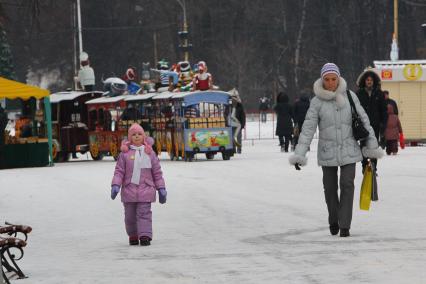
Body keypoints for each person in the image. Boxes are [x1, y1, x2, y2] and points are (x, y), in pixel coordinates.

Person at [289, 63, 383, 237]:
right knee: (330, 188)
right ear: (322, 80)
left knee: (347, 185)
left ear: (338, 78)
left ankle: (345, 224)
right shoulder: (316, 102)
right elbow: (308, 129)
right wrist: (299, 154)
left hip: (349, 150)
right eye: (327, 79)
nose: (331, 83)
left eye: (334, 79)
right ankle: (334, 219)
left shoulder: (350, 96)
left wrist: (372, 145)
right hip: (327, 151)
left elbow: (364, 121)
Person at [111, 123, 167, 246]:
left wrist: (161, 188)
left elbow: (157, 172)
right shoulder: (124, 154)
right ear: (130, 138)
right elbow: (119, 172)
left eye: (139, 134)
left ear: (144, 136)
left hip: (146, 189)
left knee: (144, 214)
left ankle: (145, 235)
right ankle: (133, 235)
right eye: (134, 135)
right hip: (129, 190)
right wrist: (115, 185)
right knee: (130, 217)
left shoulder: (149, 153)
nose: (137, 137)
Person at [356, 70, 387, 170]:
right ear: (364, 81)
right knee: (364, 145)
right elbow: (355, 109)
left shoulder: (379, 94)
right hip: (363, 125)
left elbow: (383, 110)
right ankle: (364, 166)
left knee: (374, 145)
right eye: (367, 80)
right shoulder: (359, 93)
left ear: (374, 81)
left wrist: (383, 124)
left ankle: (373, 166)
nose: (369, 82)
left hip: (375, 124)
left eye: (371, 80)